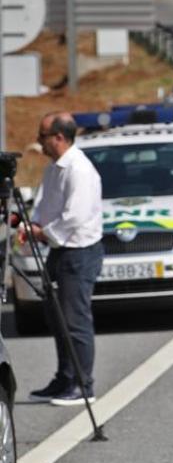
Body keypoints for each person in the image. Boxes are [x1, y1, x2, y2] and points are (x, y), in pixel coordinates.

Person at [25, 112, 105, 407]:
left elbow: (75, 215)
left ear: (59, 137)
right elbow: (44, 206)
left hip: (79, 252)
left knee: (75, 320)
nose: (38, 141)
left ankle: (83, 384)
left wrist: (43, 233)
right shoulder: (53, 169)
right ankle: (65, 377)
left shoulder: (79, 170)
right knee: (56, 317)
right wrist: (30, 225)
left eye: (42, 135)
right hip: (59, 250)